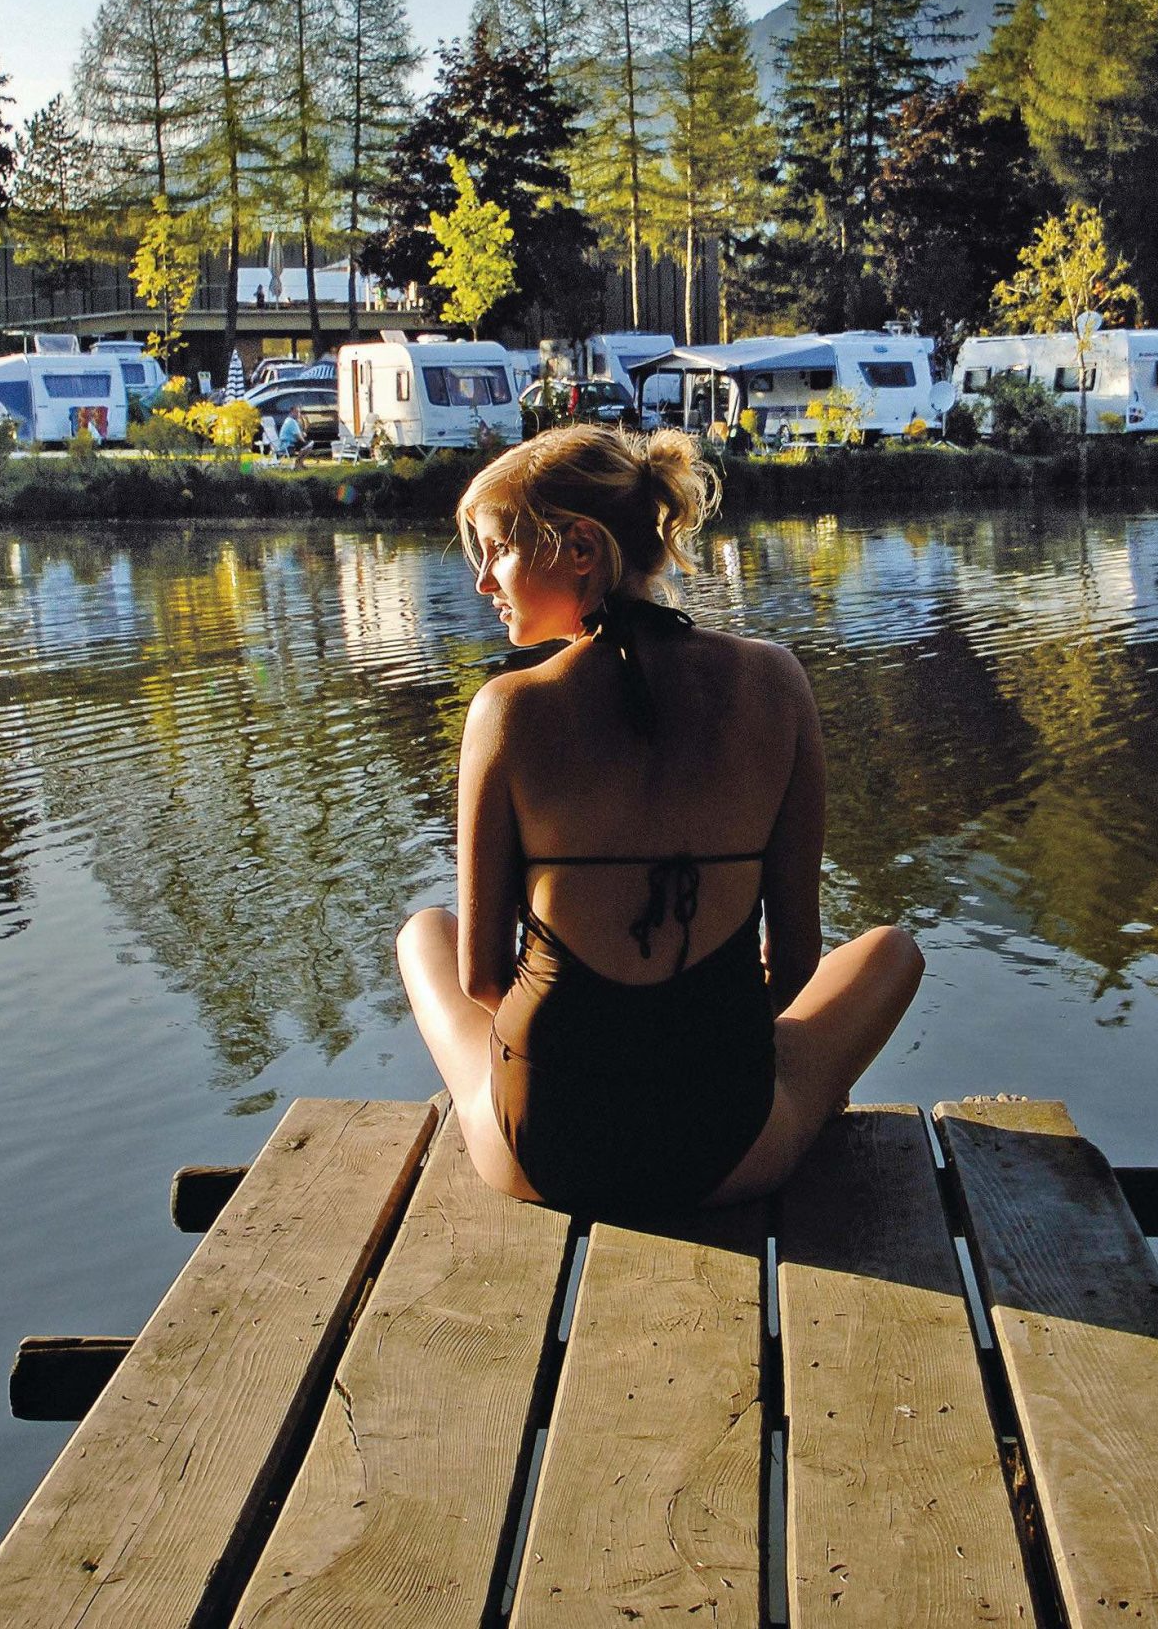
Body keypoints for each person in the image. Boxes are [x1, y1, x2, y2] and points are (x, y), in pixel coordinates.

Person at [396, 425, 924, 1216]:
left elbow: (480, 979)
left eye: (497, 548)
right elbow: (798, 958)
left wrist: (600, 1045)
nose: (482, 581)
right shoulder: (777, 683)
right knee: (894, 952)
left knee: (421, 934)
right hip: (730, 1151)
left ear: (580, 547)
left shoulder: (506, 710)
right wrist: (683, 1041)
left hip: (545, 1155)